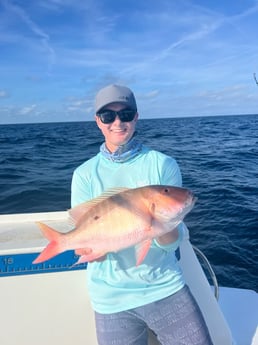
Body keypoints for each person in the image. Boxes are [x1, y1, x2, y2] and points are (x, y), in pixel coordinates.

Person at [71, 84, 213, 345]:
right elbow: (84, 238)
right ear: (97, 122)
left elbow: (169, 243)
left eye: (125, 114)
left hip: (164, 287)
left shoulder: (162, 164)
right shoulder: (84, 175)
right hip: (110, 297)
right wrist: (89, 248)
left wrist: (160, 223)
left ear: (136, 117)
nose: (117, 122)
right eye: (108, 116)